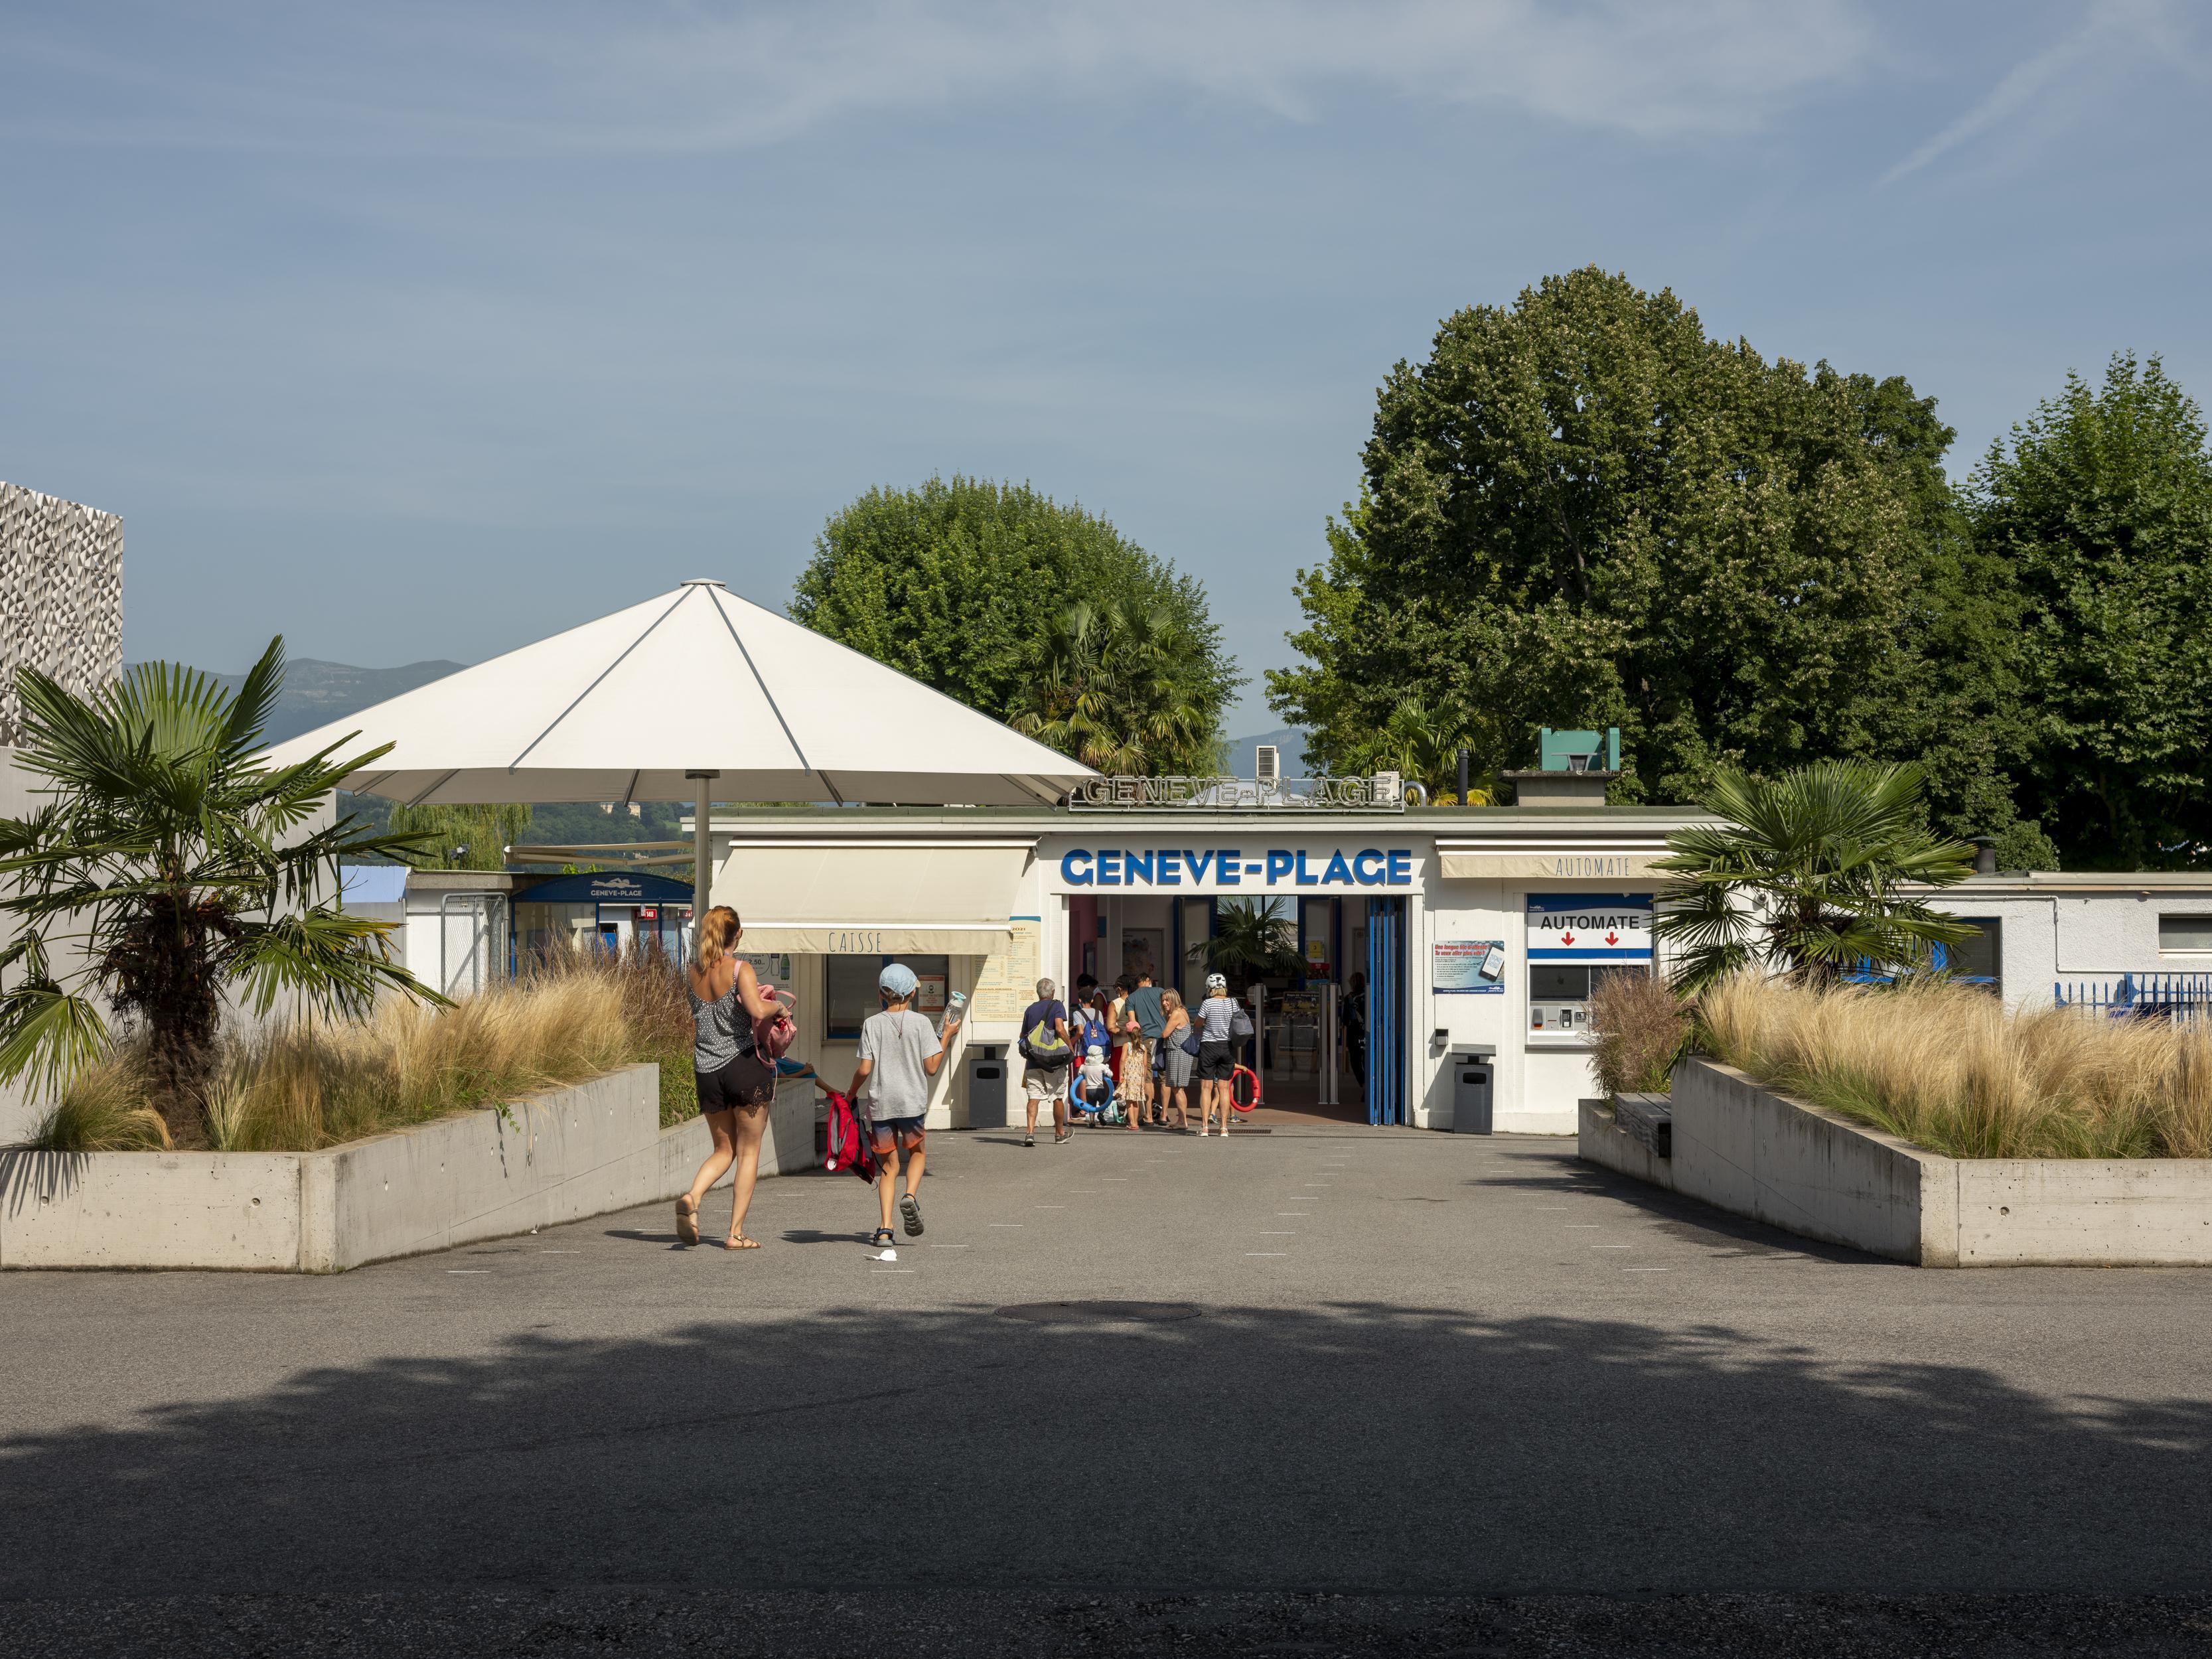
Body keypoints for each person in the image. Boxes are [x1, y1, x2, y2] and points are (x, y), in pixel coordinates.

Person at [676, 906, 781, 1250]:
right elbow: (756, 1010)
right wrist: (777, 1008)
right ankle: (735, 1233)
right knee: (748, 1152)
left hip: (706, 1069)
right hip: (742, 1067)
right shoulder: (740, 969)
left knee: (723, 1149)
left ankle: (693, 1197)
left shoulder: (692, 972)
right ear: (736, 935)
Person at [848, 962, 961, 1248]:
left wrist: (850, 1094)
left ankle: (885, 1230)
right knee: (918, 1153)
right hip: (911, 1103)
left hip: (881, 1104)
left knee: (888, 1166)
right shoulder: (922, 1023)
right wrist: (946, 1034)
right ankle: (910, 1196)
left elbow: (864, 1069)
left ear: (881, 994)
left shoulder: (871, 1024)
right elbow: (932, 1068)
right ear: (912, 994)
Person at [1017, 975, 1073, 1147]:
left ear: (1038, 993)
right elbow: (1059, 1028)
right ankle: (1059, 1134)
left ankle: (1030, 1133)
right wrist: (1070, 1046)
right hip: (1053, 1061)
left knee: (1033, 1097)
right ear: (1053, 992)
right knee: (1057, 1097)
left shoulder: (1030, 1010)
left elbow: (1023, 1036)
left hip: (1034, 1061)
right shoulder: (1057, 1006)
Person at [1195, 972, 1241, 1137]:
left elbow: (1198, 1023)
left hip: (1209, 1046)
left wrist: (1208, 1022)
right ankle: (1224, 1128)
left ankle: (1205, 1127)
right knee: (1224, 1089)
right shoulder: (1233, 1003)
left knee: (1206, 1088)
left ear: (1209, 988)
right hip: (1227, 1047)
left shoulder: (1207, 1004)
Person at [1125, 968, 1167, 1123]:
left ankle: (1149, 1115)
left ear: (1138, 985)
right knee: (1164, 1078)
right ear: (1149, 981)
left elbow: (1133, 1024)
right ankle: (1164, 1116)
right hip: (1164, 1038)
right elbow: (1169, 1012)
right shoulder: (1161, 992)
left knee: (1148, 1078)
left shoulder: (1131, 999)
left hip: (1146, 1040)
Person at [1108, 974, 1145, 1133]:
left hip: (1121, 1045)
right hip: (1139, 1046)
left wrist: (1123, 1031)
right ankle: (1140, 1115)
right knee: (1137, 1084)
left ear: (1119, 988)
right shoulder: (1139, 1001)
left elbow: (1111, 1026)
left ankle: (1120, 1113)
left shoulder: (1115, 1004)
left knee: (1120, 1080)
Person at [1157, 988, 1195, 1131]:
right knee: (1178, 1088)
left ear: (1174, 1000)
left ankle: (1182, 1121)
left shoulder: (1176, 1014)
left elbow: (1165, 1033)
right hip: (1181, 1053)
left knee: (1177, 1088)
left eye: (1167, 1000)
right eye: (1163, 1001)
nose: (1165, 1003)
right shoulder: (1182, 1011)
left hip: (1177, 1053)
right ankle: (1181, 1119)